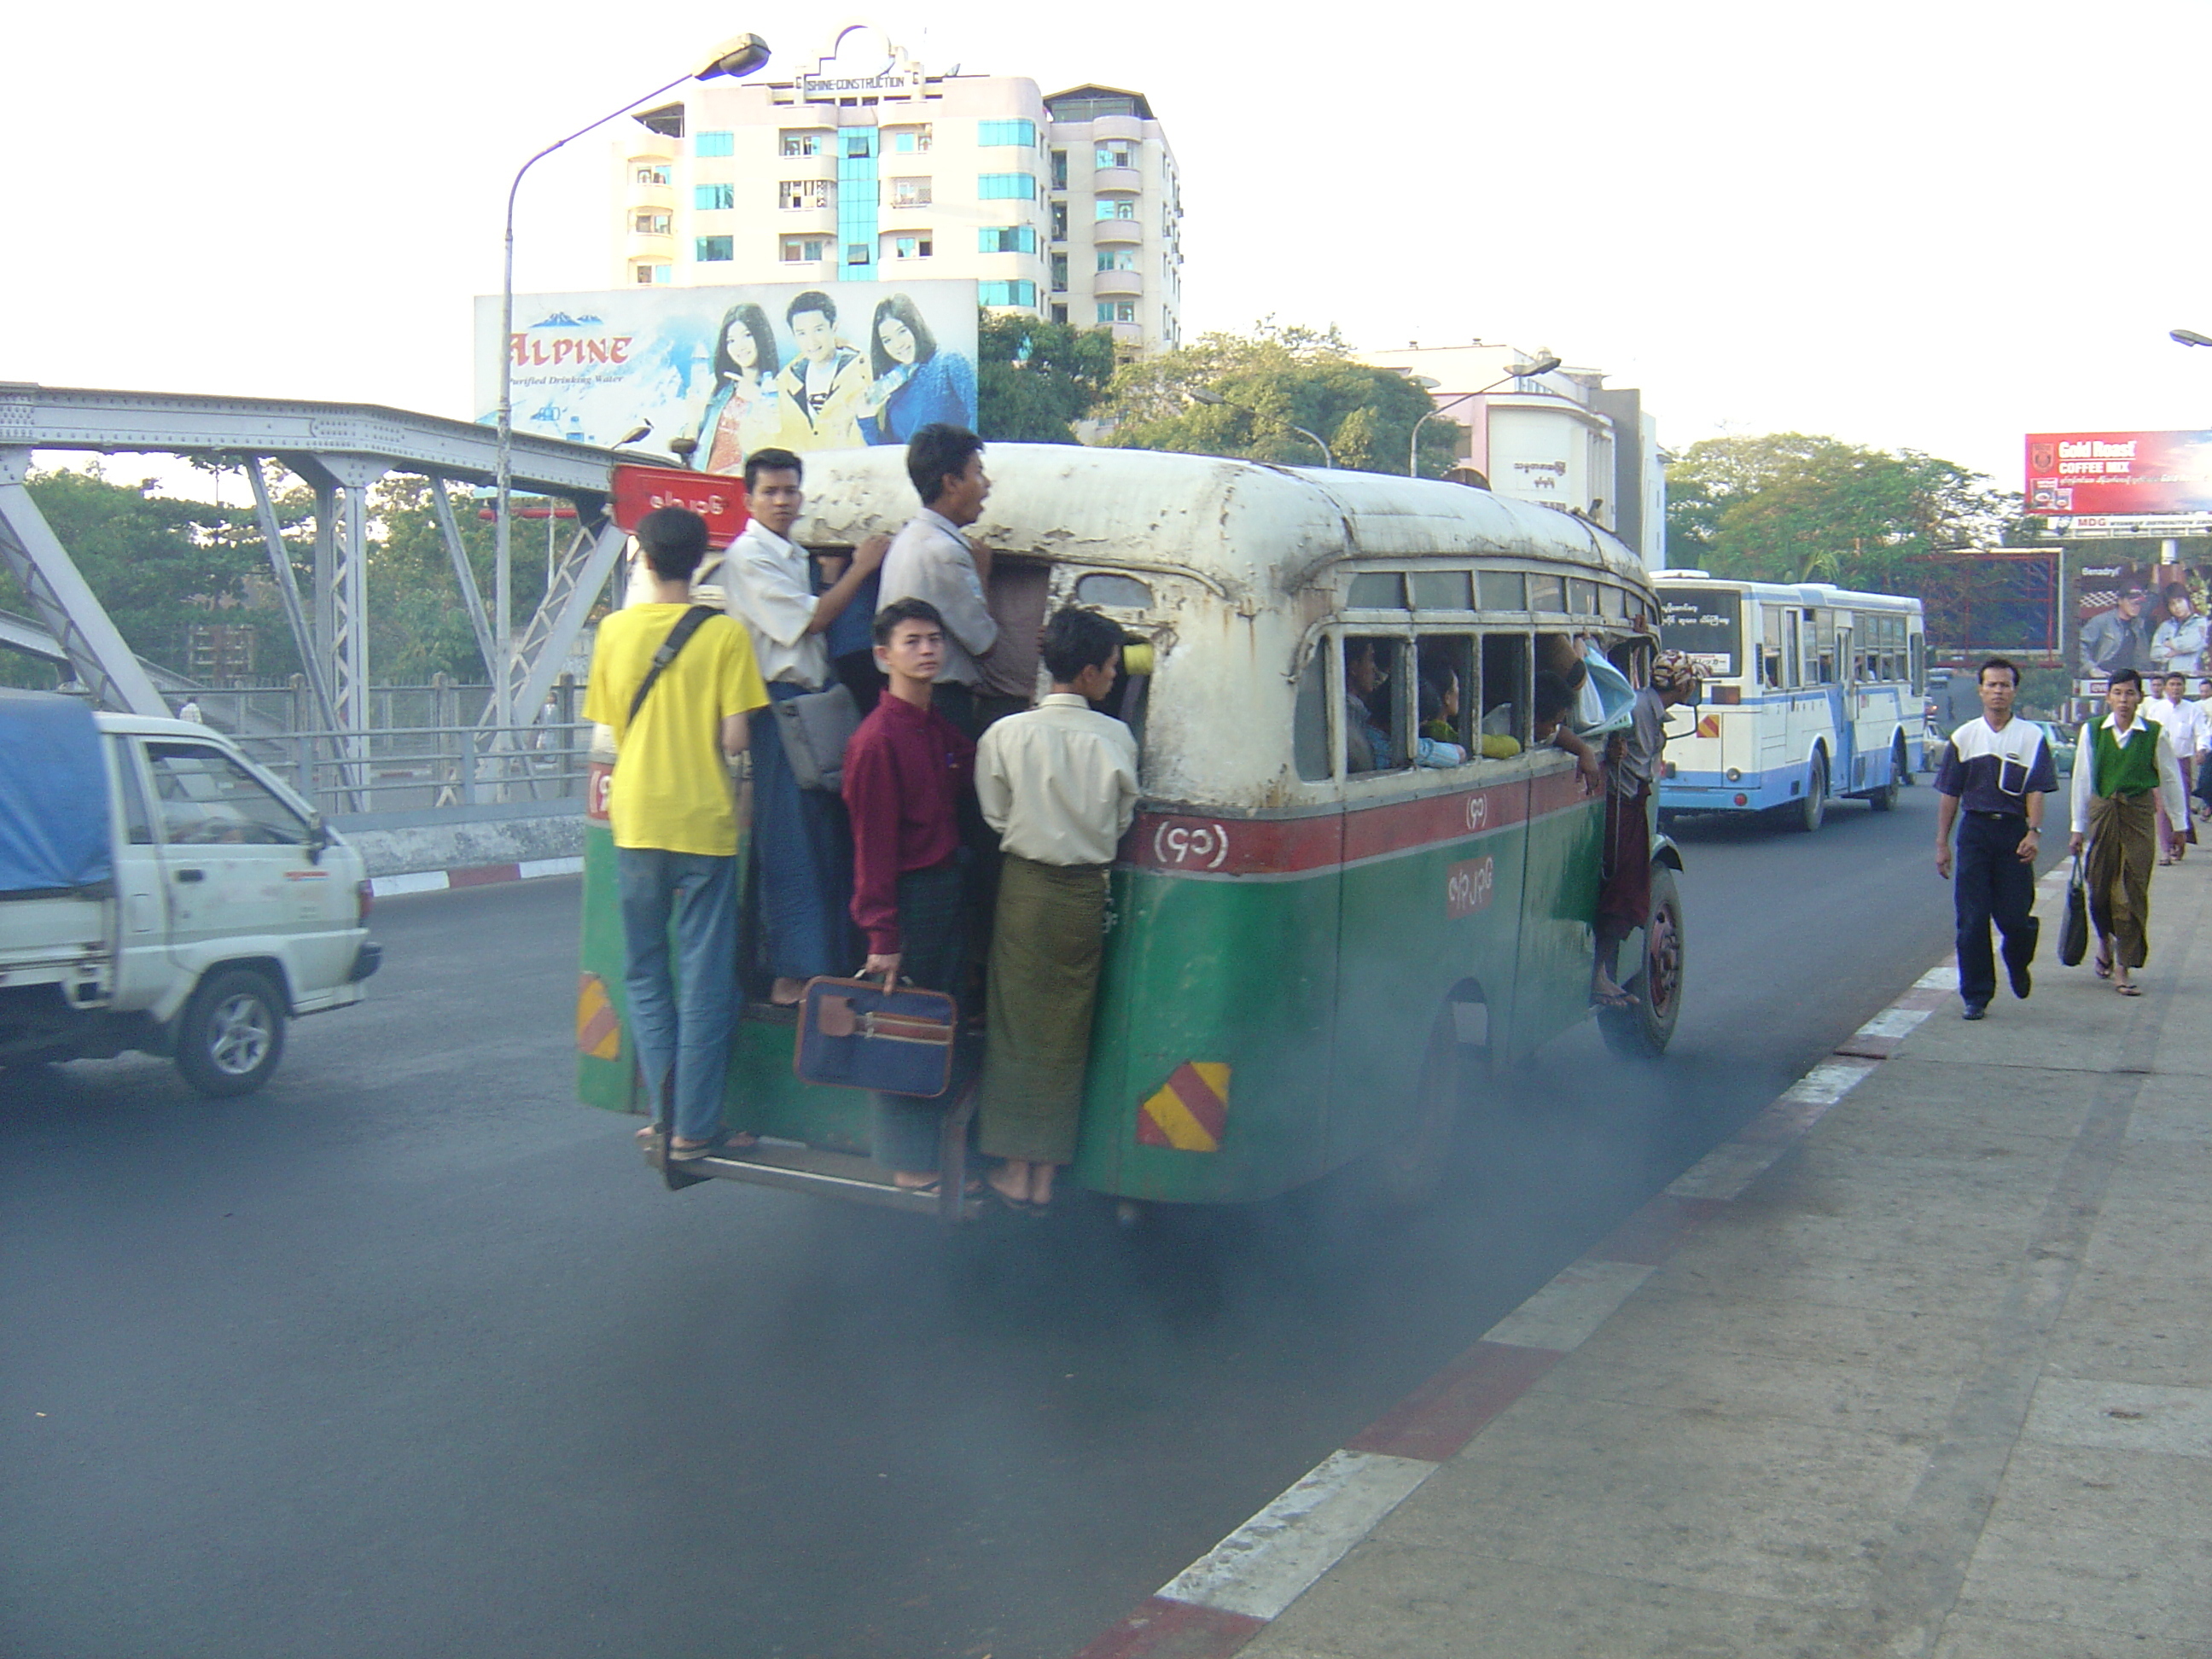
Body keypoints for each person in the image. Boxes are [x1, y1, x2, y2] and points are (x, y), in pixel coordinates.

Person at [582, 507, 769, 1157]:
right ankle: (695, 1126)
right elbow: (736, 738)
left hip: (636, 821)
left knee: (644, 972)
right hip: (705, 825)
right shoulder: (725, 637)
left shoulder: (613, 632)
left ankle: (666, 1117)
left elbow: (612, 722)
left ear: (643, 556)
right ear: (700, 561)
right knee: (706, 978)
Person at [974, 608, 1139, 1211]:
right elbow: (1121, 822)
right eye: (1113, 667)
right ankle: (1045, 1172)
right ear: (1091, 671)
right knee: (1066, 1033)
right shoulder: (1118, 739)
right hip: (1083, 895)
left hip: (1026, 890)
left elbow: (995, 815)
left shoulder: (1006, 735)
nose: (1116, 677)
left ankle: (1015, 1167)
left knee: (1016, 1028)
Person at [722, 446, 888, 1004]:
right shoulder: (748, 557)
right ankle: (793, 972)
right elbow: (813, 619)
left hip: (813, 702)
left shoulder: (791, 553)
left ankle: (824, 964)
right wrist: (861, 569)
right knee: (791, 840)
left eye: (790, 490)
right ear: (749, 500)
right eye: (770, 491)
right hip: (778, 705)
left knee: (823, 835)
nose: (782, 500)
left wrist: (832, 577)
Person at [841, 599, 979, 1190]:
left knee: (938, 1025)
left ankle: (929, 1157)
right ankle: (908, 1165)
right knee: (902, 1029)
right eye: (912, 641)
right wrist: (882, 937)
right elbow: (871, 848)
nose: (927, 650)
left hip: (946, 886)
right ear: (883, 656)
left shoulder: (933, 724)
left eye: (934, 639)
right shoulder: (877, 742)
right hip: (909, 898)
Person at [1933, 657, 2057, 1022]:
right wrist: (1942, 842)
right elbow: (1950, 794)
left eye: (2005, 685)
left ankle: (2018, 961)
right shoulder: (1965, 736)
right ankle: (1976, 995)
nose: (1998, 691)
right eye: (1991, 685)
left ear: (2014, 691)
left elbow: (2036, 789)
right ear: (1980, 690)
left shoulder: (2031, 737)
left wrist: (2033, 831)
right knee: (1972, 919)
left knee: (2014, 918)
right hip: (1975, 832)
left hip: (2013, 833)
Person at [2067, 668, 2188, 997]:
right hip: (2103, 812)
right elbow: (2082, 781)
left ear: (2140, 698)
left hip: (2137, 815)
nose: (2123, 700)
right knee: (2099, 888)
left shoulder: (2153, 734)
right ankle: (2104, 942)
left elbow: (2171, 779)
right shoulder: (2093, 731)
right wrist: (2078, 829)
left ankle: (2124, 965)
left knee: (2130, 891)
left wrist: (2179, 826)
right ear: (2108, 697)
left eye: (2130, 693)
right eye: (2117, 693)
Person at [1592, 653, 1698, 1009]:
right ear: (1683, 684)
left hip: (1633, 802)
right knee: (1623, 893)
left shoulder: (1649, 710)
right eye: (1692, 682)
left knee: (1629, 892)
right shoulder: (1637, 709)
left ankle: (1602, 973)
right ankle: (1598, 976)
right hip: (1622, 805)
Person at [877, 425, 996, 737]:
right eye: (978, 473)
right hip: (941, 701)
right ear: (952, 483)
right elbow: (984, 643)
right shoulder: (943, 552)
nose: (986, 485)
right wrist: (983, 574)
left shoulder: (912, 537)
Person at [860, 294, 978, 447]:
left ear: (915, 326)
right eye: (887, 340)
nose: (898, 344)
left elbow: (976, 414)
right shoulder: (894, 385)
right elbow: (890, 456)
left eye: (902, 331)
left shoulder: (949, 362)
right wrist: (867, 420)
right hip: (912, 470)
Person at [686, 302, 786, 474]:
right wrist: (694, 417)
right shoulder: (718, 389)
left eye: (747, 335)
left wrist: (757, 399)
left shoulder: (779, 388)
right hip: (708, 480)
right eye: (731, 340)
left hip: (748, 486)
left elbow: (782, 444)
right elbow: (689, 444)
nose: (739, 346)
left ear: (761, 337)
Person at [773, 290, 870, 450]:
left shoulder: (864, 372)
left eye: (818, 330)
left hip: (848, 469)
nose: (811, 341)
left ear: (834, 327)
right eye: (802, 333)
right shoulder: (785, 382)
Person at [2144, 671, 2204, 858]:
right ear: (2165, 688)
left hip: (2182, 762)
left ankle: (2181, 842)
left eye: (2179, 685)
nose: (2175, 688)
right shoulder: (2156, 710)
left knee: (2181, 804)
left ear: (2184, 688)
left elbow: (2202, 733)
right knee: (2162, 805)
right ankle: (2166, 848)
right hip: (2159, 763)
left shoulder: (2193, 710)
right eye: (2172, 685)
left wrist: (2201, 749)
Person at [1532, 671, 1604, 792]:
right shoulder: (1497, 727)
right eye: (1553, 724)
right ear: (1534, 717)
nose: (1554, 730)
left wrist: (1585, 751)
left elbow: (1560, 733)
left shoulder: (1544, 727)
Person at [2079, 588, 2151, 677]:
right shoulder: (2101, 621)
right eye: (2131, 603)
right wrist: (2091, 669)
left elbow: (2153, 599)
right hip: (2104, 675)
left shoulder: (2138, 624)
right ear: (2120, 601)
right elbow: (2079, 646)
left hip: (2131, 676)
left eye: (2139, 604)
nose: (2135, 607)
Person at [2149, 584, 2208, 678]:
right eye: (2172, 604)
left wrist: (2169, 644)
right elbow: (2154, 653)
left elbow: (2191, 644)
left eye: (2179, 601)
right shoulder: (2165, 626)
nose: (2177, 606)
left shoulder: (2199, 622)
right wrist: (2178, 651)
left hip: (2192, 677)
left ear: (2187, 600)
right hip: (2168, 679)